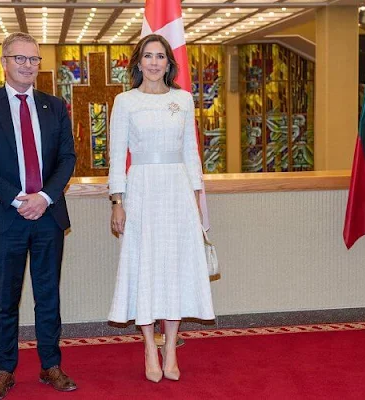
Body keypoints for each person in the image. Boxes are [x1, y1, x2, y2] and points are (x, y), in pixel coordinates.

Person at [0, 32, 77, 399]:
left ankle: (51, 365)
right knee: (5, 298)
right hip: (4, 217)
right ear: (4, 61)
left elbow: (67, 159)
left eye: (34, 60)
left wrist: (44, 197)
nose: (28, 66)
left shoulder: (55, 106)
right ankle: (4, 370)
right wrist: (19, 199)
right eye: (20, 59)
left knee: (48, 295)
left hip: (48, 216)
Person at [107, 34, 215, 383]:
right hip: (140, 191)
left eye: (161, 57)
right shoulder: (124, 102)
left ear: (169, 64)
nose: (154, 63)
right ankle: (149, 347)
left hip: (177, 191)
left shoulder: (183, 100)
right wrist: (117, 202)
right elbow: (115, 157)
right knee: (145, 265)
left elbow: (191, 153)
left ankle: (170, 348)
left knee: (174, 267)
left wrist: (198, 198)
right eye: (148, 56)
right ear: (138, 63)